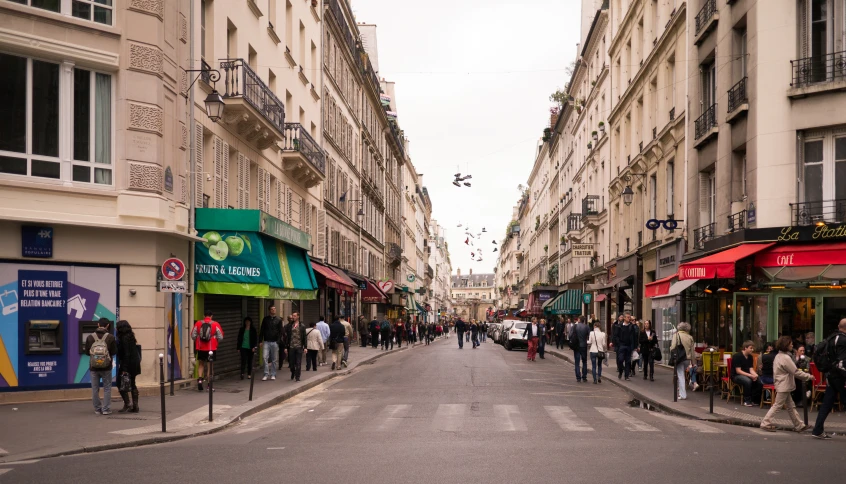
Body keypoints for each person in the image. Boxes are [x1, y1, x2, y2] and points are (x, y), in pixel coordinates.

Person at [760, 336, 813, 432]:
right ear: (786, 345)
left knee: (790, 406)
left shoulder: (778, 356)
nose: (792, 345)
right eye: (790, 344)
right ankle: (765, 423)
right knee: (778, 405)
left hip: (782, 384)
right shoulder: (785, 358)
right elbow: (795, 372)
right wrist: (808, 376)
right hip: (784, 384)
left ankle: (799, 425)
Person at [811, 319, 846, 439]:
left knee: (827, 403)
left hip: (830, 375)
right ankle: (817, 430)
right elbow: (842, 362)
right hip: (840, 376)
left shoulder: (831, 338)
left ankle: (817, 430)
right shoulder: (843, 340)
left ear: (838, 326)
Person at [86, 318, 117, 415]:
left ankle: (97, 409)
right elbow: (114, 352)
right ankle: (106, 409)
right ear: (108, 325)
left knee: (95, 388)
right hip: (106, 367)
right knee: (107, 388)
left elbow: (87, 352)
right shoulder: (111, 337)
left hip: (93, 367)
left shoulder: (90, 337)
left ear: (98, 324)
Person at [192, 310, 223, 392]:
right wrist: (215, 340)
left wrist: (198, 341)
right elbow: (221, 337)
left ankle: (200, 380)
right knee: (210, 366)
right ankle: (209, 385)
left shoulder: (198, 323)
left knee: (201, 364)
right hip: (211, 348)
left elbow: (193, 335)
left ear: (203, 315)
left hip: (201, 347)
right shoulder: (215, 324)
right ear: (211, 316)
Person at [115, 320, 141, 413]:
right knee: (133, 383)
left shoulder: (123, 338)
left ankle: (127, 404)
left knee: (119, 383)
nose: (116, 328)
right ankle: (135, 406)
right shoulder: (131, 336)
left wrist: (124, 369)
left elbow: (126, 354)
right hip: (135, 363)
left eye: (117, 327)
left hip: (127, 364)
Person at [732, 340, 763, 407]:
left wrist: (755, 375)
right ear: (745, 348)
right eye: (751, 348)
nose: (752, 350)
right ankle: (747, 400)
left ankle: (755, 400)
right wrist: (750, 375)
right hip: (737, 375)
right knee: (747, 381)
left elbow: (751, 369)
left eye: (752, 348)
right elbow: (738, 371)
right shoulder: (737, 356)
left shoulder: (750, 357)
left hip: (747, 374)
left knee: (759, 381)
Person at [260, 305, 283, 381]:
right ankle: (266, 373)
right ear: (269, 310)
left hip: (275, 342)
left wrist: (278, 341)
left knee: (274, 359)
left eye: (274, 309)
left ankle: (273, 374)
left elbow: (281, 331)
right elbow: (262, 330)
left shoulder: (279, 320)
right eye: (272, 309)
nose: (273, 310)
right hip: (266, 341)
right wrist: (260, 340)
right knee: (264, 357)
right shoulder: (265, 319)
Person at [285, 312, 306, 381]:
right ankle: (293, 372)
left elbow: (304, 337)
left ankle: (297, 377)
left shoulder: (302, 326)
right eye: (292, 316)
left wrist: (305, 347)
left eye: (294, 316)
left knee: (298, 362)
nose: (293, 317)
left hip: (299, 346)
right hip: (291, 347)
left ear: (298, 317)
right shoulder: (289, 326)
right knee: (291, 363)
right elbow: (287, 337)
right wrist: (285, 347)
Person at [570, 317, 590, 382]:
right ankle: (584, 376)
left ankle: (578, 377)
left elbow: (570, 335)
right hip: (584, 346)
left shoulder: (574, 326)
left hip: (576, 346)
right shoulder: (586, 327)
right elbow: (589, 336)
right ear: (584, 320)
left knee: (577, 362)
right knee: (584, 362)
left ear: (579, 320)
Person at [617, 316, 636, 380]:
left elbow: (634, 336)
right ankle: (620, 371)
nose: (629, 318)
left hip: (629, 346)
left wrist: (635, 346)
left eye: (629, 317)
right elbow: (616, 335)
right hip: (621, 345)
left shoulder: (631, 326)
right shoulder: (620, 326)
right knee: (620, 359)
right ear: (624, 318)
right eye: (628, 317)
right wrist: (618, 343)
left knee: (628, 361)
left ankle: (626, 376)